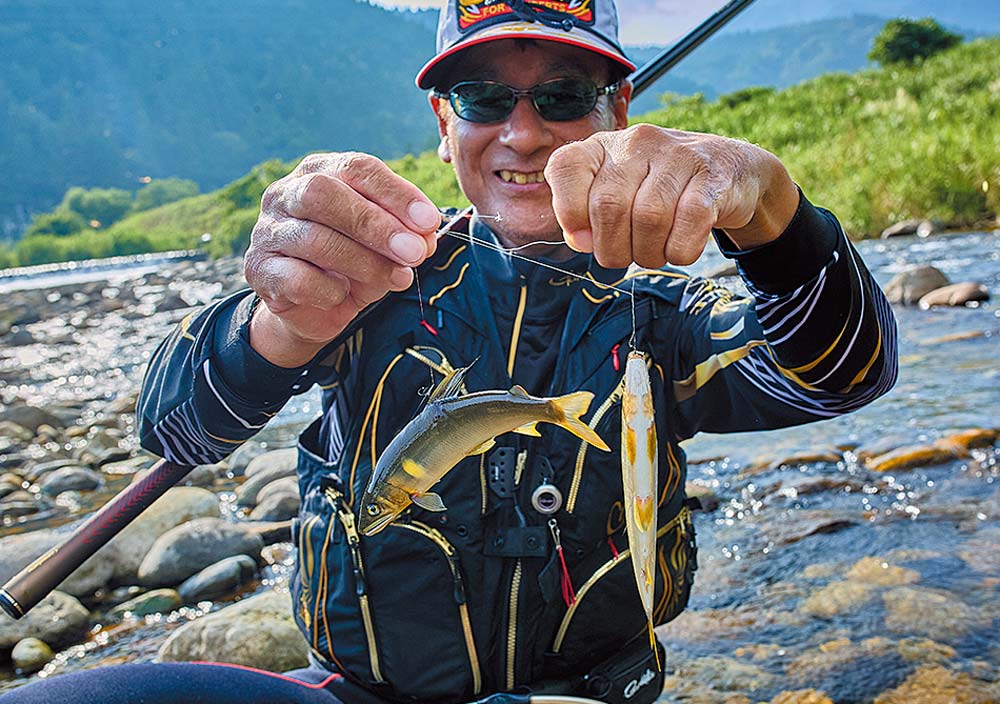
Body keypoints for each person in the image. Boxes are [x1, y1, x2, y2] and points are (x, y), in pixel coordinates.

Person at [0, 0, 897, 702]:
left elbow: (843, 375)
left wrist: (772, 210)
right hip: (358, 696)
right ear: (442, 121)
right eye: (483, 98)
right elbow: (176, 430)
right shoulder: (365, 278)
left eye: (563, 97)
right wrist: (278, 322)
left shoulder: (666, 317)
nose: (522, 131)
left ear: (619, 113)